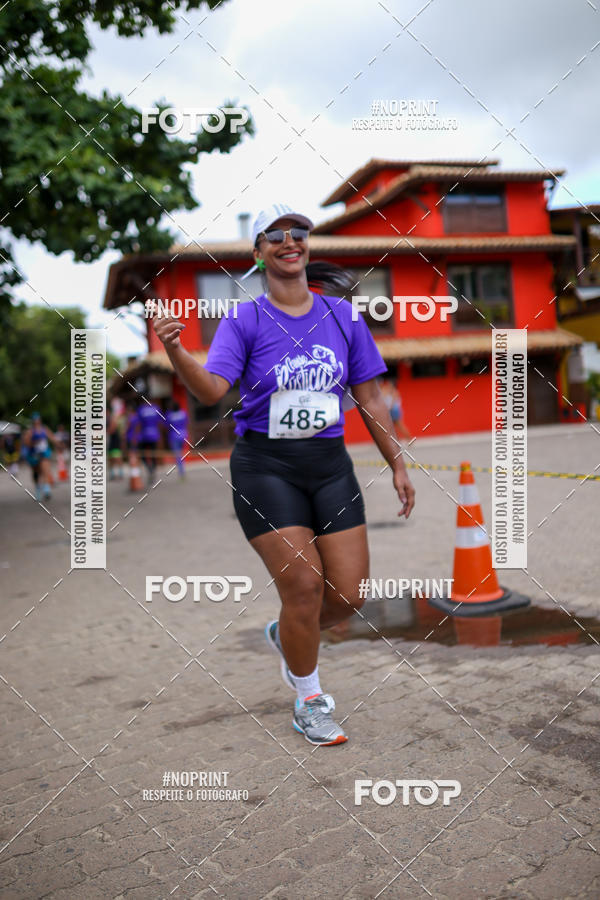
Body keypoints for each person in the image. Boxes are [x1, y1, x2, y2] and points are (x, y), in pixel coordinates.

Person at [148, 203, 415, 746]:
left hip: (330, 465)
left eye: (298, 232)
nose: (289, 241)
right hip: (266, 466)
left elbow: (368, 396)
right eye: (276, 235)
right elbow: (212, 391)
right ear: (259, 251)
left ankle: (286, 635)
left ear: (307, 244)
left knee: (350, 595)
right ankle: (310, 699)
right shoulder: (243, 320)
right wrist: (175, 349)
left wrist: (398, 464)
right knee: (304, 587)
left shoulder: (343, 316)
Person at [23, 413, 56, 501]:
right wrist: (34, 442)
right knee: (36, 473)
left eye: (38, 420)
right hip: (33, 454)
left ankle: (46, 489)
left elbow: (52, 437)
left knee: (45, 469)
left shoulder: (44, 429)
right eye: (35, 420)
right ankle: (38, 488)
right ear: (33, 421)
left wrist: (58, 444)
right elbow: (26, 443)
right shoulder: (30, 431)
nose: (37, 422)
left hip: (44, 453)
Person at [132, 399, 162, 486]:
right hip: (154, 435)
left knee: (142, 455)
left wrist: (135, 437)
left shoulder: (141, 409)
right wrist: (161, 438)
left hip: (144, 436)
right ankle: (152, 469)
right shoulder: (156, 408)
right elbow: (160, 423)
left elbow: (138, 424)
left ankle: (150, 469)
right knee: (154, 455)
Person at [165, 401, 188, 478]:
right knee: (181, 454)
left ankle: (181, 472)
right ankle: (182, 471)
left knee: (178, 455)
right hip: (183, 435)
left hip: (174, 437)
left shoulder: (170, 415)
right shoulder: (183, 413)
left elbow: (166, 425)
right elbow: (187, 423)